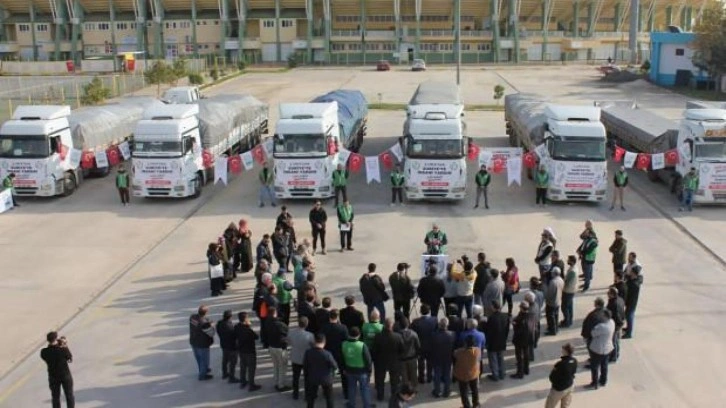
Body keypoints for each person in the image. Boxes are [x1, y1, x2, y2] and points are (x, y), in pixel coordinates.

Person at [372, 317, 403, 402]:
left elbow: (374, 350)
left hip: (381, 362)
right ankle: (394, 396)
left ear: (384, 325)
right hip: (394, 362)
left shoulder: (378, 336)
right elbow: (402, 350)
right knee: (394, 381)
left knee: (380, 380)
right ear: (392, 325)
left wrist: (376, 360)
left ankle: (380, 396)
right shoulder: (398, 336)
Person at [40, 331, 74, 408]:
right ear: (55, 339)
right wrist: (64, 345)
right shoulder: (63, 350)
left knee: (55, 397)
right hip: (65, 376)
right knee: (69, 395)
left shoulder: (44, 352)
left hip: (53, 377)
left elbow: (52, 350)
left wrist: (58, 344)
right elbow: (69, 358)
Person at [304, 333, 338, 408]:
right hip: (326, 379)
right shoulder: (327, 354)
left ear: (314, 341)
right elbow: (334, 365)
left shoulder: (308, 352)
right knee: (329, 398)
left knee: (311, 399)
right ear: (324, 342)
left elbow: (305, 366)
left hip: (313, 378)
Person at [343, 326, 374, 408]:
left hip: (349, 370)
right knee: (364, 389)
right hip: (362, 371)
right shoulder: (362, 345)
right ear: (359, 335)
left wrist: (344, 369)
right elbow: (368, 360)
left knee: (351, 388)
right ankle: (367, 405)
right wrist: (369, 370)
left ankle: (351, 404)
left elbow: (342, 358)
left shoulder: (344, 344)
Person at [322, 309, 350, 399]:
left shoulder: (324, 327)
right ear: (337, 317)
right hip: (340, 353)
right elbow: (346, 341)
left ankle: (326, 392)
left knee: (328, 374)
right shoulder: (343, 328)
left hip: (328, 353)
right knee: (343, 374)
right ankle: (346, 392)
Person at [262, 307, 290, 391]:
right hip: (280, 348)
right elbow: (287, 331)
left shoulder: (266, 322)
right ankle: (281, 385)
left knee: (276, 365)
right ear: (275, 313)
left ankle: (276, 381)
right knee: (282, 366)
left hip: (271, 346)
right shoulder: (279, 324)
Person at [585, 310, 615, 390]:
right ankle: (603, 380)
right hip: (608, 348)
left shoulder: (602, 326)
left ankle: (595, 383)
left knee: (594, 367)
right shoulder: (612, 322)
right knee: (604, 365)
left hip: (598, 349)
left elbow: (593, 333)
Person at [289, 316, 315, 400]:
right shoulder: (310, 335)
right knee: (307, 378)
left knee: (295, 377)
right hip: (306, 359)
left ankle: (295, 394)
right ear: (306, 324)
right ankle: (307, 395)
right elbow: (313, 346)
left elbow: (289, 342)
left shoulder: (291, 332)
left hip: (295, 357)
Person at [545, 343, 578, 408]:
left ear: (566, 352)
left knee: (549, 406)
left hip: (559, 389)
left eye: (563, 350)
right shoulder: (574, 361)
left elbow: (552, 378)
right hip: (570, 386)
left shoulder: (560, 364)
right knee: (565, 406)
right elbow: (573, 372)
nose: (561, 351)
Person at [235, 312, 261, 391]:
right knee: (251, 368)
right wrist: (249, 326)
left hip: (241, 350)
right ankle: (251, 385)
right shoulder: (248, 329)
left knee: (243, 367)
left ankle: (243, 382)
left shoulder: (236, 327)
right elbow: (256, 337)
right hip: (250, 351)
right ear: (246, 319)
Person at [410, 304, 436, 384]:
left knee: (421, 363)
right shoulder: (434, 320)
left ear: (420, 311)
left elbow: (411, 333)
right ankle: (429, 377)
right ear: (429, 311)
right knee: (430, 362)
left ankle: (421, 378)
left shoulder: (415, 322)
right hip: (431, 345)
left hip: (420, 345)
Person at [484, 300, 509, 381]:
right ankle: (502, 373)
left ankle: (495, 375)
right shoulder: (505, 316)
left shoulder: (491, 318)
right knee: (501, 358)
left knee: (493, 359)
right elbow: (507, 329)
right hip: (502, 341)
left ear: (493, 307)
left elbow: (489, 331)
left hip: (493, 342)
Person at [430, 318, 455, 398]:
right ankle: (446, 392)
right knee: (447, 375)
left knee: (437, 375)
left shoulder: (433, 335)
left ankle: (437, 392)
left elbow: (431, 347)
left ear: (439, 325)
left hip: (437, 358)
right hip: (448, 358)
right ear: (447, 325)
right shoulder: (452, 334)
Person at [454, 335, 481, 408]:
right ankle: (476, 404)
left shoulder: (459, 352)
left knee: (464, 392)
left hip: (463, 374)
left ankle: (466, 405)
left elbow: (455, 354)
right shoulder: (477, 351)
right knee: (474, 389)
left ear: (465, 343)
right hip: (473, 373)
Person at [189, 305, 215, 381]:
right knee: (204, 360)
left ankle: (202, 370)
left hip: (194, 341)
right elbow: (211, 333)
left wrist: (208, 322)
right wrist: (212, 326)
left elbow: (200, 322)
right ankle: (202, 375)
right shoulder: (204, 324)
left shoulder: (192, 317)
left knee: (199, 358)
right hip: (203, 344)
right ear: (206, 312)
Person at [253, 272, 278, 347]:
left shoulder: (261, 287)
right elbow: (268, 301)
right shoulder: (262, 290)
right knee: (265, 327)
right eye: (270, 280)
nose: (271, 281)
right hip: (264, 313)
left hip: (262, 312)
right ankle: (265, 342)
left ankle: (264, 340)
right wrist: (273, 293)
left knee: (264, 326)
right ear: (267, 280)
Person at [511, 301, 535, 379]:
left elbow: (518, 331)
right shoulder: (531, 315)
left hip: (520, 340)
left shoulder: (522, 319)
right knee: (526, 354)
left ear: (522, 308)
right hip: (529, 339)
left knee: (519, 357)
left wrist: (514, 324)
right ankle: (526, 369)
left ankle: (520, 373)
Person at [216, 310, 239, 383]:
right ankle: (232, 377)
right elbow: (234, 336)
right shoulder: (230, 326)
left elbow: (218, 332)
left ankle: (225, 373)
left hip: (223, 344)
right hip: (232, 347)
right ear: (230, 317)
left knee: (225, 360)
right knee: (232, 362)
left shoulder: (219, 323)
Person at [398, 317, 420, 391]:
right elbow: (418, 346)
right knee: (413, 374)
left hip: (402, 359)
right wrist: (417, 355)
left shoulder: (398, 335)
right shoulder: (414, 334)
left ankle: (406, 389)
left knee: (404, 376)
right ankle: (414, 388)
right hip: (412, 357)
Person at [623, 254, 643, 339]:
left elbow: (629, 292)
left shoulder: (634, 284)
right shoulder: (633, 279)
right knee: (628, 315)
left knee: (629, 315)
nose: (630, 272)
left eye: (631, 272)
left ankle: (629, 333)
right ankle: (628, 328)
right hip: (630, 300)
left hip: (631, 301)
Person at [606, 287, 626, 363]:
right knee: (617, 340)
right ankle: (617, 353)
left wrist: (617, 323)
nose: (607, 294)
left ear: (612, 294)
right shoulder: (620, 299)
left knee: (614, 341)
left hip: (616, 324)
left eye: (608, 293)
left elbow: (615, 315)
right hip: (620, 322)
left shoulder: (613, 303)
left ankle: (614, 356)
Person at [577, 226, 598, 292]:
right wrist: (579, 249)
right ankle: (586, 283)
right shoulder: (587, 239)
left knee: (587, 273)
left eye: (588, 233)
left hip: (589, 259)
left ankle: (586, 286)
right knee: (587, 272)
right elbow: (582, 244)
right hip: (585, 257)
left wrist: (581, 252)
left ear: (591, 234)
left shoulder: (593, 242)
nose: (587, 234)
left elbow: (588, 251)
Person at [545, 267, 564, 335]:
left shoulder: (553, 282)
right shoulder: (561, 280)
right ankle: (556, 328)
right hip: (558, 300)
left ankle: (552, 330)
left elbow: (550, 293)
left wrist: (546, 299)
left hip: (552, 302)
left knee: (550, 317)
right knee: (556, 315)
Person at [560, 255, 578, 328]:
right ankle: (569, 320)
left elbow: (567, 281)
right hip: (572, 290)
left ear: (572, 261)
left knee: (565, 307)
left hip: (568, 291)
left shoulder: (572, 271)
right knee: (569, 306)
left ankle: (567, 321)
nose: (567, 261)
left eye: (569, 260)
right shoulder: (575, 268)